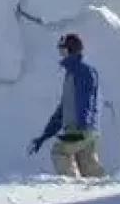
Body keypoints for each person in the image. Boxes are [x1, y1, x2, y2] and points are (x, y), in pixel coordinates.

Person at [28, 32, 105, 178]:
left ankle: (71, 187)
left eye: (62, 49)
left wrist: (83, 125)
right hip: (82, 128)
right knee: (88, 167)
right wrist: (45, 135)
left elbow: (87, 99)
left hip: (80, 128)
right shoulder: (73, 72)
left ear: (71, 49)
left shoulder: (83, 71)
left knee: (59, 152)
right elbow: (63, 109)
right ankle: (103, 189)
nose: (60, 53)